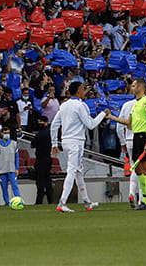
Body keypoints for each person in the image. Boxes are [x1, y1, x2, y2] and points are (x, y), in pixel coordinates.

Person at [51, 81, 109, 212]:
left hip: (65, 142)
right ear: (78, 91)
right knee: (72, 171)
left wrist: (54, 143)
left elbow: (54, 125)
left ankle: (87, 202)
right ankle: (62, 202)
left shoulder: (64, 105)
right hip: (76, 142)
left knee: (78, 172)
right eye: (83, 89)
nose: (85, 92)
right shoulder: (80, 106)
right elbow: (91, 124)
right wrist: (103, 114)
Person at [107, 78, 146, 209]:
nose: (131, 88)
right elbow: (128, 122)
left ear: (140, 87)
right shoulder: (136, 104)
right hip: (136, 137)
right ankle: (144, 199)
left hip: (144, 136)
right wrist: (112, 117)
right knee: (138, 169)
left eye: (133, 85)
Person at [0, 127, 22, 206]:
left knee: (15, 186)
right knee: (4, 187)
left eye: (8, 133)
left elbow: (17, 157)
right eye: (5, 133)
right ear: (2, 133)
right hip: (1, 169)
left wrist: (17, 168)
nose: (7, 135)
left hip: (11, 168)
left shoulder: (14, 144)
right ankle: (7, 202)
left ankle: (19, 201)